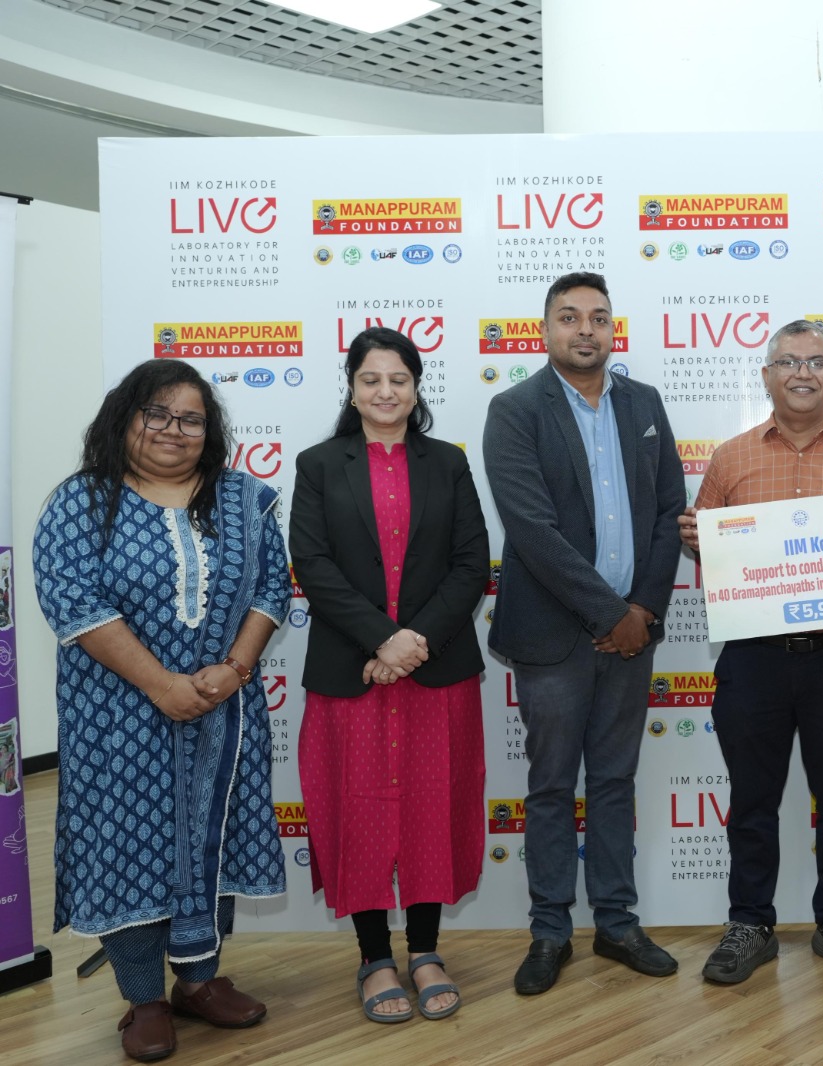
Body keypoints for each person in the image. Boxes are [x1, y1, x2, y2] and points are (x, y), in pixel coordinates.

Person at [34, 360, 289, 1062]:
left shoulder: (243, 499)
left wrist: (234, 671)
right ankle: (143, 998)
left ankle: (199, 981)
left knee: (213, 835)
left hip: (222, 708)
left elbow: (272, 588)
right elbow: (74, 603)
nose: (174, 429)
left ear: (210, 430)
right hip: (115, 716)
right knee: (127, 844)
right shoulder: (82, 502)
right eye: (158, 413)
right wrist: (160, 686)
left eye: (192, 419)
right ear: (125, 418)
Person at [678, 319, 823, 985]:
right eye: (788, 362)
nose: (803, 372)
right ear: (767, 375)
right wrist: (698, 539)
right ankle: (750, 923)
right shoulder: (730, 459)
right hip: (754, 656)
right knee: (752, 799)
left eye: (817, 362)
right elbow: (709, 551)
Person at [483, 271, 686, 995]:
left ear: (612, 329)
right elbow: (532, 530)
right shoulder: (514, 410)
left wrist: (644, 613)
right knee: (549, 787)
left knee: (614, 782)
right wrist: (613, 616)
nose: (585, 329)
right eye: (569, 317)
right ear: (546, 330)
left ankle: (617, 924)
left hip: (634, 631)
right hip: (555, 636)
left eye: (598, 317)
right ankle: (549, 932)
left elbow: (669, 515)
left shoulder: (644, 403)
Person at [289, 327, 490, 1023]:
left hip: (436, 671)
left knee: (435, 806)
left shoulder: (448, 463)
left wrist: (412, 644)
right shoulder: (319, 464)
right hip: (353, 671)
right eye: (370, 379)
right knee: (359, 811)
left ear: (416, 386)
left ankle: (426, 952)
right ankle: (375, 959)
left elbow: (472, 562)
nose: (385, 391)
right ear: (351, 388)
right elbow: (312, 564)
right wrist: (382, 640)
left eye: (398, 379)